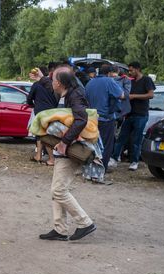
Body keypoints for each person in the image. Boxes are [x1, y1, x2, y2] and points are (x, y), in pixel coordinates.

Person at [39, 69, 96, 242]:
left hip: (71, 149)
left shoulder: (75, 96)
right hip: (63, 149)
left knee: (58, 189)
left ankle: (85, 222)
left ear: (60, 83)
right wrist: (40, 78)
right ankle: (60, 229)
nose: (52, 81)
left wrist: (65, 142)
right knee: (57, 189)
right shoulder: (66, 93)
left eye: (53, 79)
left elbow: (81, 119)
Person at [112, 61, 154, 171]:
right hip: (129, 114)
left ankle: (134, 161)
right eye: (129, 70)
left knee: (136, 139)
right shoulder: (130, 82)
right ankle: (114, 158)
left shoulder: (146, 80)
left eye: (131, 70)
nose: (129, 72)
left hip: (141, 115)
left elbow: (150, 95)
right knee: (121, 138)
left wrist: (134, 96)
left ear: (138, 69)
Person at [84, 63, 124, 172]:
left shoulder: (90, 83)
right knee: (106, 145)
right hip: (105, 119)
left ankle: (90, 167)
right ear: (110, 73)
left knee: (92, 144)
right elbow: (121, 95)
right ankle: (102, 169)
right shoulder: (109, 81)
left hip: (91, 119)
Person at [27, 66, 58, 165]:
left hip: (40, 113)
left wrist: (34, 105)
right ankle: (38, 155)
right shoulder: (53, 85)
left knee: (43, 135)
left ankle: (51, 159)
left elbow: (29, 99)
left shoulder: (36, 85)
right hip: (52, 112)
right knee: (41, 134)